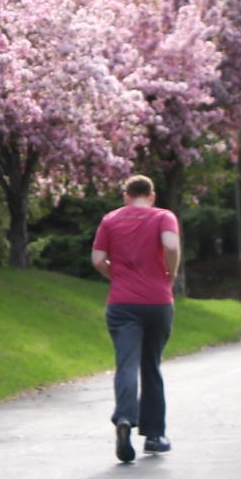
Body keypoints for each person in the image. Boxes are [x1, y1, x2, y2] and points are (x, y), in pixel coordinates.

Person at [91, 174, 180, 463]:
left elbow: (97, 259)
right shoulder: (164, 216)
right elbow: (170, 245)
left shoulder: (110, 220)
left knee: (126, 364)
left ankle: (125, 420)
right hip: (157, 302)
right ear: (151, 196)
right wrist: (170, 275)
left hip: (122, 304)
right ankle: (154, 436)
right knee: (150, 366)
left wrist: (114, 275)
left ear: (126, 196)